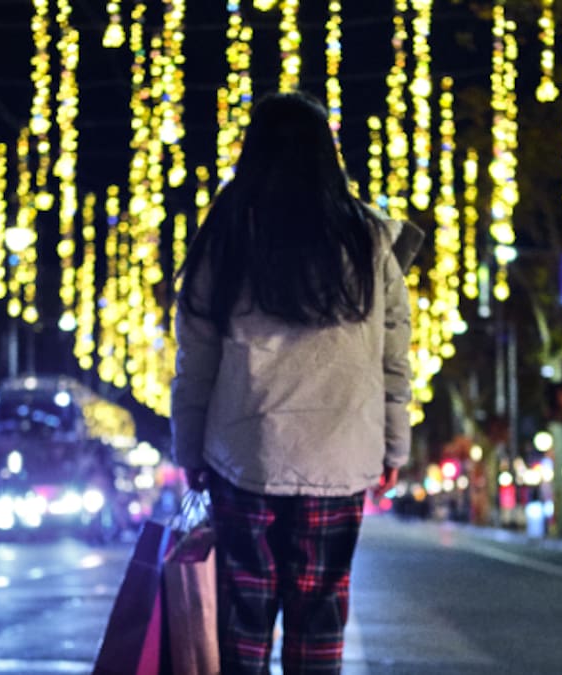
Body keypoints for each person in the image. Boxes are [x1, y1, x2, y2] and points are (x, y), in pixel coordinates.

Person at [170, 90, 413, 675]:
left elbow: (195, 360)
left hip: (243, 451)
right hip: (339, 457)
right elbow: (394, 357)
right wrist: (393, 446)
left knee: (243, 623)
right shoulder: (370, 239)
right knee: (319, 620)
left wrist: (189, 449)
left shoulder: (225, 236)